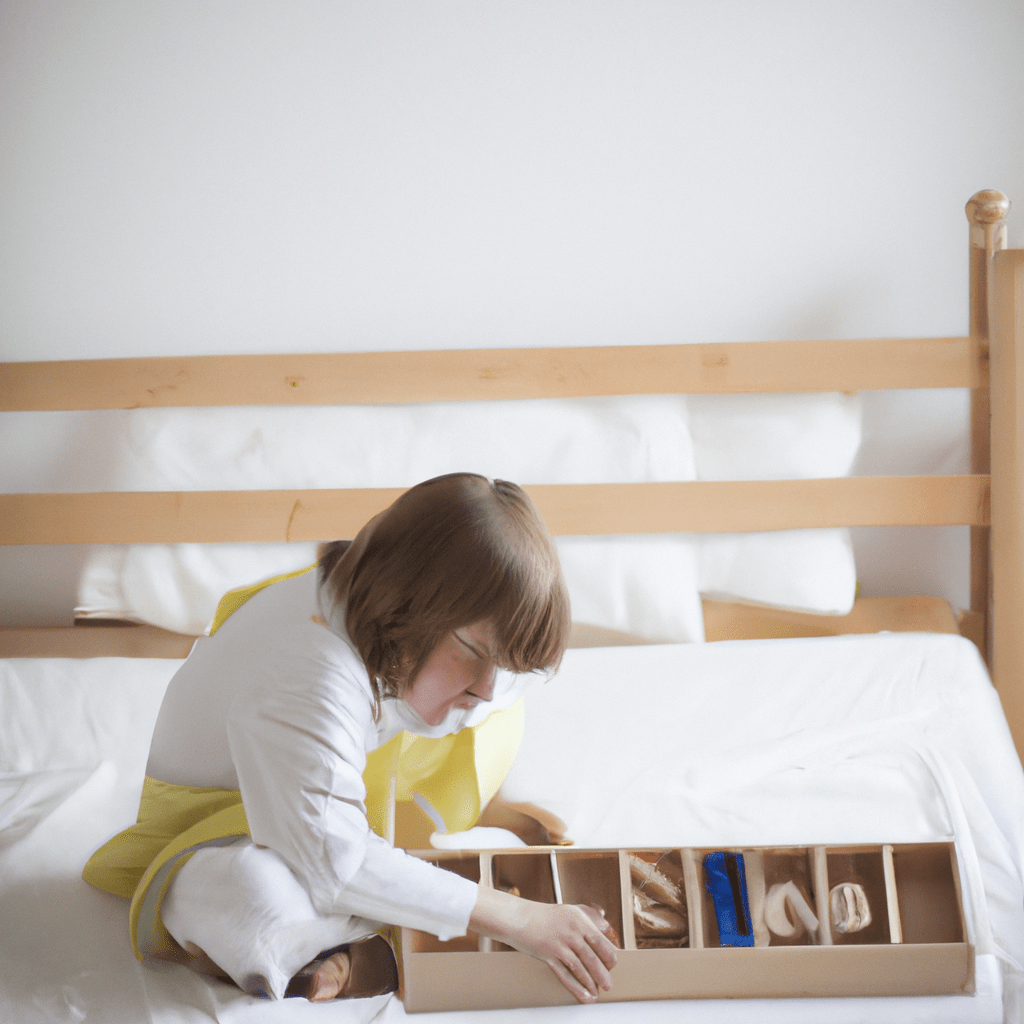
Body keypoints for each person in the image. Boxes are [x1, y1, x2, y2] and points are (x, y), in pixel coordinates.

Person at [83, 473, 619, 1004]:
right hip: (231, 819)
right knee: (254, 898)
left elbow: (488, 685)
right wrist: (519, 916)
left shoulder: (400, 636)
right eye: (472, 650)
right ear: (410, 602)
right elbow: (337, 863)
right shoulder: (306, 667)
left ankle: (457, 835)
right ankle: (364, 950)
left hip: (349, 771)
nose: (486, 686)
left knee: (494, 705)